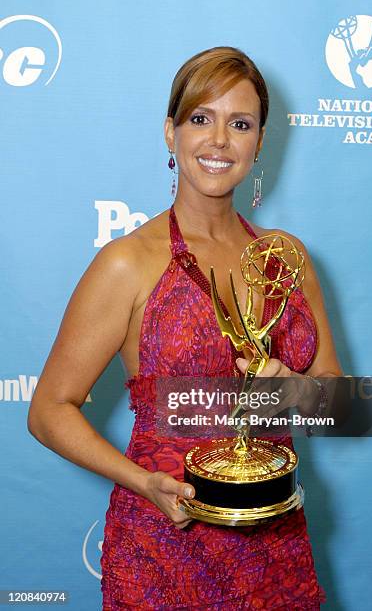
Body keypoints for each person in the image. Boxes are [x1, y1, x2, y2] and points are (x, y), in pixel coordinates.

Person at [28, 46, 342, 609]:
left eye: (239, 123)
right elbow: (48, 409)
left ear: (260, 141)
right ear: (170, 133)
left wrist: (290, 390)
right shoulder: (128, 263)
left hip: (275, 543)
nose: (219, 140)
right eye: (201, 118)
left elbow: (338, 404)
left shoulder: (286, 258)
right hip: (165, 546)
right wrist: (142, 481)